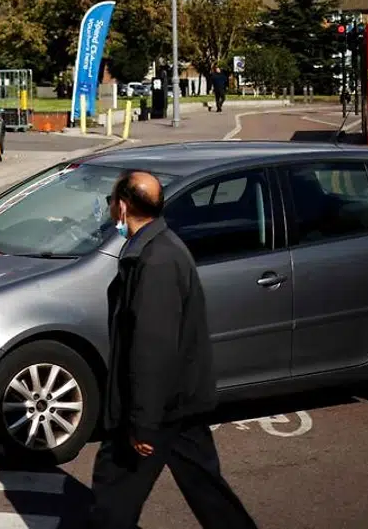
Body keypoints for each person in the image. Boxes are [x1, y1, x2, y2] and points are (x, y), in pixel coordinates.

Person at [90, 170, 258, 529]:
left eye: (110, 203)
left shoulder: (156, 262)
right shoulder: (157, 248)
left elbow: (153, 348)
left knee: (113, 492)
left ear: (121, 207)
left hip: (159, 407)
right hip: (180, 400)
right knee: (205, 488)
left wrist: (142, 423)